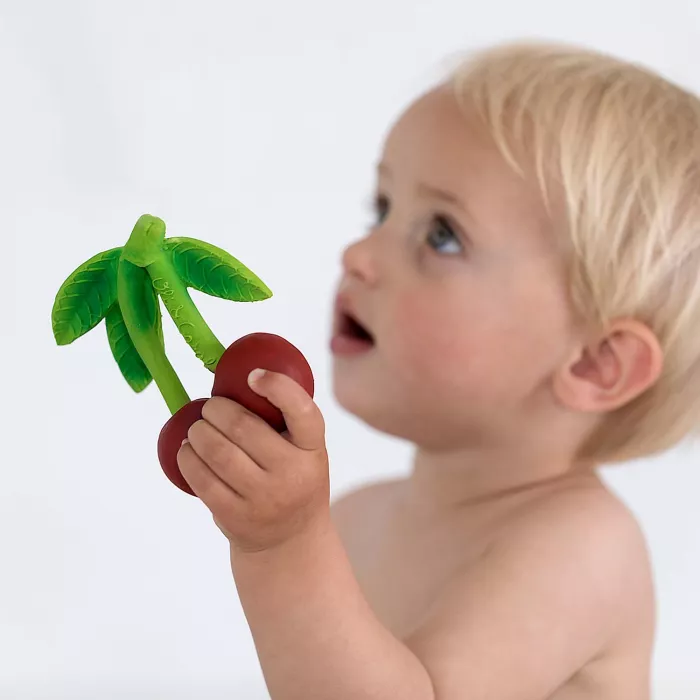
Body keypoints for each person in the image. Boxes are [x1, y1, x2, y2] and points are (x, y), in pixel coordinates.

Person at [176, 40, 700, 699]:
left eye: (442, 234)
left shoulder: (585, 547)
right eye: (383, 209)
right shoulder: (357, 518)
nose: (359, 253)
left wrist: (281, 551)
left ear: (596, 363)